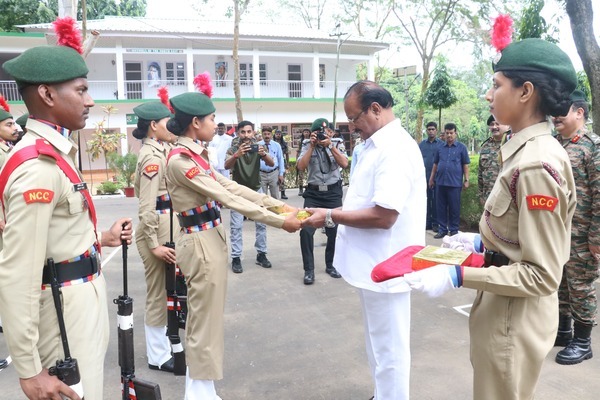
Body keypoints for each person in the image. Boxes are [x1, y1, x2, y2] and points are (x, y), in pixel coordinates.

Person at [402, 35, 578, 400]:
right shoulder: (525, 151)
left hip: (513, 316)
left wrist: (456, 274)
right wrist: (482, 242)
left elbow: (542, 273)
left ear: (525, 91)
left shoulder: (535, 164)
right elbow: (523, 234)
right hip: (502, 303)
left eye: (496, 85)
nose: (488, 95)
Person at [0, 43, 133, 400]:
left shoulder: (57, 153)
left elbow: (57, 235)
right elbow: (17, 273)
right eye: (81, 90)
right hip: (61, 315)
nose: (89, 101)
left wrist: (101, 239)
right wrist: (29, 370)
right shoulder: (37, 169)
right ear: (46, 94)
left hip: (78, 301)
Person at [165, 91, 301, 399]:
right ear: (195, 122)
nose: (216, 124)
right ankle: (198, 394)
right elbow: (225, 197)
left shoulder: (195, 155)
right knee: (202, 322)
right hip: (199, 243)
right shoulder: (180, 162)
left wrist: (279, 207)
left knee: (208, 319)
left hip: (208, 238)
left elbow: (231, 185)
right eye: (212, 119)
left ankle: (201, 389)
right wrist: (280, 222)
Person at [302, 81, 425, 399]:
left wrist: (329, 216)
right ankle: (383, 394)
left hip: (389, 264)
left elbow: (384, 216)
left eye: (354, 118)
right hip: (373, 265)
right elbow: (360, 203)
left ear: (375, 109)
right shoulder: (371, 146)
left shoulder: (394, 149)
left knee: (391, 351)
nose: (352, 126)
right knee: (377, 343)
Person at [552, 89, 600, 365]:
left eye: (563, 110)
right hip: (558, 231)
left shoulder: (593, 147)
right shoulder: (556, 144)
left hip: (583, 234)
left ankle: (583, 342)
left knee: (581, 287)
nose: (556, 115)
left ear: (579, 113)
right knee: (561, 284)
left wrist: (596, 237)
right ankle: (564, 331)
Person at [132, 101, 178, 372]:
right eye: (166, 122)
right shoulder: (151, 157)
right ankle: (157, 356)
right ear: (153, 125)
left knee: (167, 291)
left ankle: (163, 344)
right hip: (156, 233)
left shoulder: (161, 149)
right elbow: (146, 207)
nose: (170, 126)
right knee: (157, 294)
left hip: (166, 227)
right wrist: (154, 244)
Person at [296, 118, 348, 285]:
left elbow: (344, 163)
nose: (322, 136)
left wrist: (330, 146)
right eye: (318, 133)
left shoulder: (337, 143)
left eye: (325, 133)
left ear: (330, 132)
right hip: (313, 193)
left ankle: (331, 265)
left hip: (333, 192)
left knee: (334, 231)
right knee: (306, 230)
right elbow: (301, 167)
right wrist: (311, 146)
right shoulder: (306, 144)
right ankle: (309, 270)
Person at [224, 120, 275, 273]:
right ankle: (236, 257)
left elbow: (271, 163)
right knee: (236, 226)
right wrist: (236, 155)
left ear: (253, 132)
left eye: (249, 132)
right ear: (238, 133)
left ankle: (261, 254)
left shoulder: (259, 146)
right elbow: (226, 166)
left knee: (261, 223)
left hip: (256, 190)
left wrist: (263, 154)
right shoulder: (233, 148)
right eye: (243, 132)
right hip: (238, 191)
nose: (246, 135)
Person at [429, 122, 470, 238]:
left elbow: (465, 165)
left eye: (451, 133)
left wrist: (466, 180)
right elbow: (435, 164)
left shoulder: (462, 148)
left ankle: (453, 230)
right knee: (440, 207)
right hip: (440, 183)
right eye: (447, 133)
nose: (449, 135)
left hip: (454, 183)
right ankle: (442, 229)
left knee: (454, 208)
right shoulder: (440, 147)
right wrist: (431, 179)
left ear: (455, 133)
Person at [478, 115, 509, 205]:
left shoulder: (512, 143)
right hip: (488, 195)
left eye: (497, 124)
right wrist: (481, 195)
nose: (494, 127)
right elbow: (480, 173)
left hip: (506, 196)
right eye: (492, 124)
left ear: (507, 125)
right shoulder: (485, 146)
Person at [419, 121, 443, 231]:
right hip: (424, 178)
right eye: (429, 129)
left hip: (438, 179)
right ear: (426, 131)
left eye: (433, 129)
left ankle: (435, 223)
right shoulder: (422, 145)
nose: (431, 131)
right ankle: (427, 222)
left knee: (437, 201)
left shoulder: (441, 145)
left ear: (436, 130)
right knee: (426, 201)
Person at [258, 126, 285, 199]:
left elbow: (280, 159)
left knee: (275, 197)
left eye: (268, 134)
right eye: (265, 134)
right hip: (261, 174)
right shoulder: (258, 145)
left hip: (273, 173)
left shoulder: (277, 145)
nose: (267, 136)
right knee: (261, 198)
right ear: (262, 134)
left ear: (271, 134)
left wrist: (281, 174)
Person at [273, 129, 289, 199]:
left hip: (282, 162)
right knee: (274, 178)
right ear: (274, 135)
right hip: (273, 162)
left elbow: (287, 154)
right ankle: (274, 194)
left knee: (282, 177)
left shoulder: (284, 144)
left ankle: (283, 193)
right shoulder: (272, 143)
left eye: (279, 134)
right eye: (277, 134)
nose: (278, 135)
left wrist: (287, 164)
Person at [296, 128, 311, 195]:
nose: (306, 133)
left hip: (309, 159)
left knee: (310, 174)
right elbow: (298, 151)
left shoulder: (311, 140)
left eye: (307, 132)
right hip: (301, 158)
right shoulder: (300, 141)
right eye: (305, 132)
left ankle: (309, 188)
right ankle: (300, 189)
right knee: (301, 175)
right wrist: (297, 160)